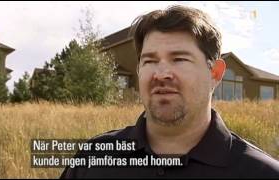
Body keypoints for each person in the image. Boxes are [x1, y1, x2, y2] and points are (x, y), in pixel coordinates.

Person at [60, 5, 279, 178]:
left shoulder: (261, 172)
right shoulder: (93, 160)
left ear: (215, 73)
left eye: (179, 59)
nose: (161, 73)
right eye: (150, 61)